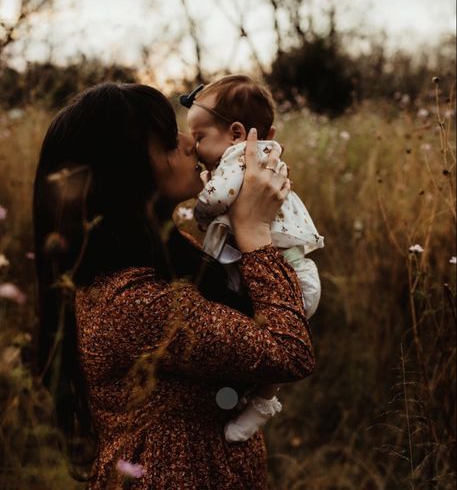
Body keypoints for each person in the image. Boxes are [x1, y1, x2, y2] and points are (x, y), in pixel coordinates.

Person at [33, 81, 315, 490]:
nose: (188, 142)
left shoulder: (162, 249)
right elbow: (289, 353)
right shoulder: (132, 300)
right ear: (125, 171)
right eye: (167, 139)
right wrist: (254, 231)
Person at [182, 75, 323, 443]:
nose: (194, 149)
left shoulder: (238, 157)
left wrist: (199, 211)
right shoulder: (265, 156)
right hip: (296, 271)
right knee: (267, 340)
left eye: (199, 138)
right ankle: (253, 398)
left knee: (277, 342)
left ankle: (258, 402)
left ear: (235, 132)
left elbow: (217, 198)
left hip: (287, 271)